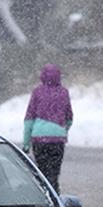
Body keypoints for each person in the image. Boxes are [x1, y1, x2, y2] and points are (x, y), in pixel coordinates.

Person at [22, 64, 73, 192]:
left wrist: (26, 143)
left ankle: (44, 196)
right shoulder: (64, 92)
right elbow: (69, 117)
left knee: (41, 172)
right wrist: (62, 130)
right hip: (57, 140)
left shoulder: (37, 92)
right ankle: (55, 196)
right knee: (54, 172)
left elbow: (29, 119)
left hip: (39, 138)